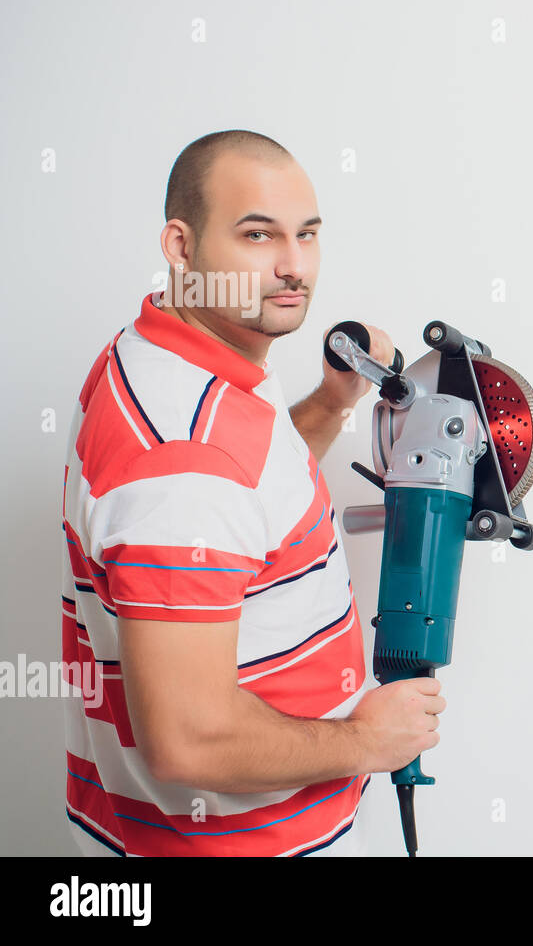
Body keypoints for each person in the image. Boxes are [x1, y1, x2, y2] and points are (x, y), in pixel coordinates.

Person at [59, 129, 444, 855]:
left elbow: (243, 502)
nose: (293, 267)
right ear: (181, 246)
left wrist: (330, 405)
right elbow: (188, 742)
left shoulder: (162, 353)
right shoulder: (183, 457)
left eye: (307, 234)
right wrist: (366, 739)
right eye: (258, 235)